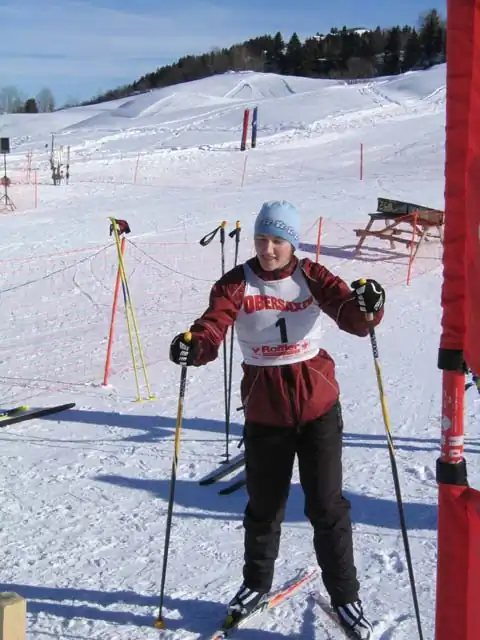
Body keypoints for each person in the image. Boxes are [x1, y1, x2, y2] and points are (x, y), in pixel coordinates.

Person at [169, 201, 385, 639]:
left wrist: (369, 307)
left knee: (326, 507)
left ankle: (345, 597)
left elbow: (353, 318)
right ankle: (255, 585)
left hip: (318, 409)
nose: (268, 249)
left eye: (277, 241)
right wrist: (195, 346)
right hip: (265, 413)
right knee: (264, 508)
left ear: (293, 242)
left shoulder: (312, 275)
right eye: (261, 239)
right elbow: (212, 326)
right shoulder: (236, 283)